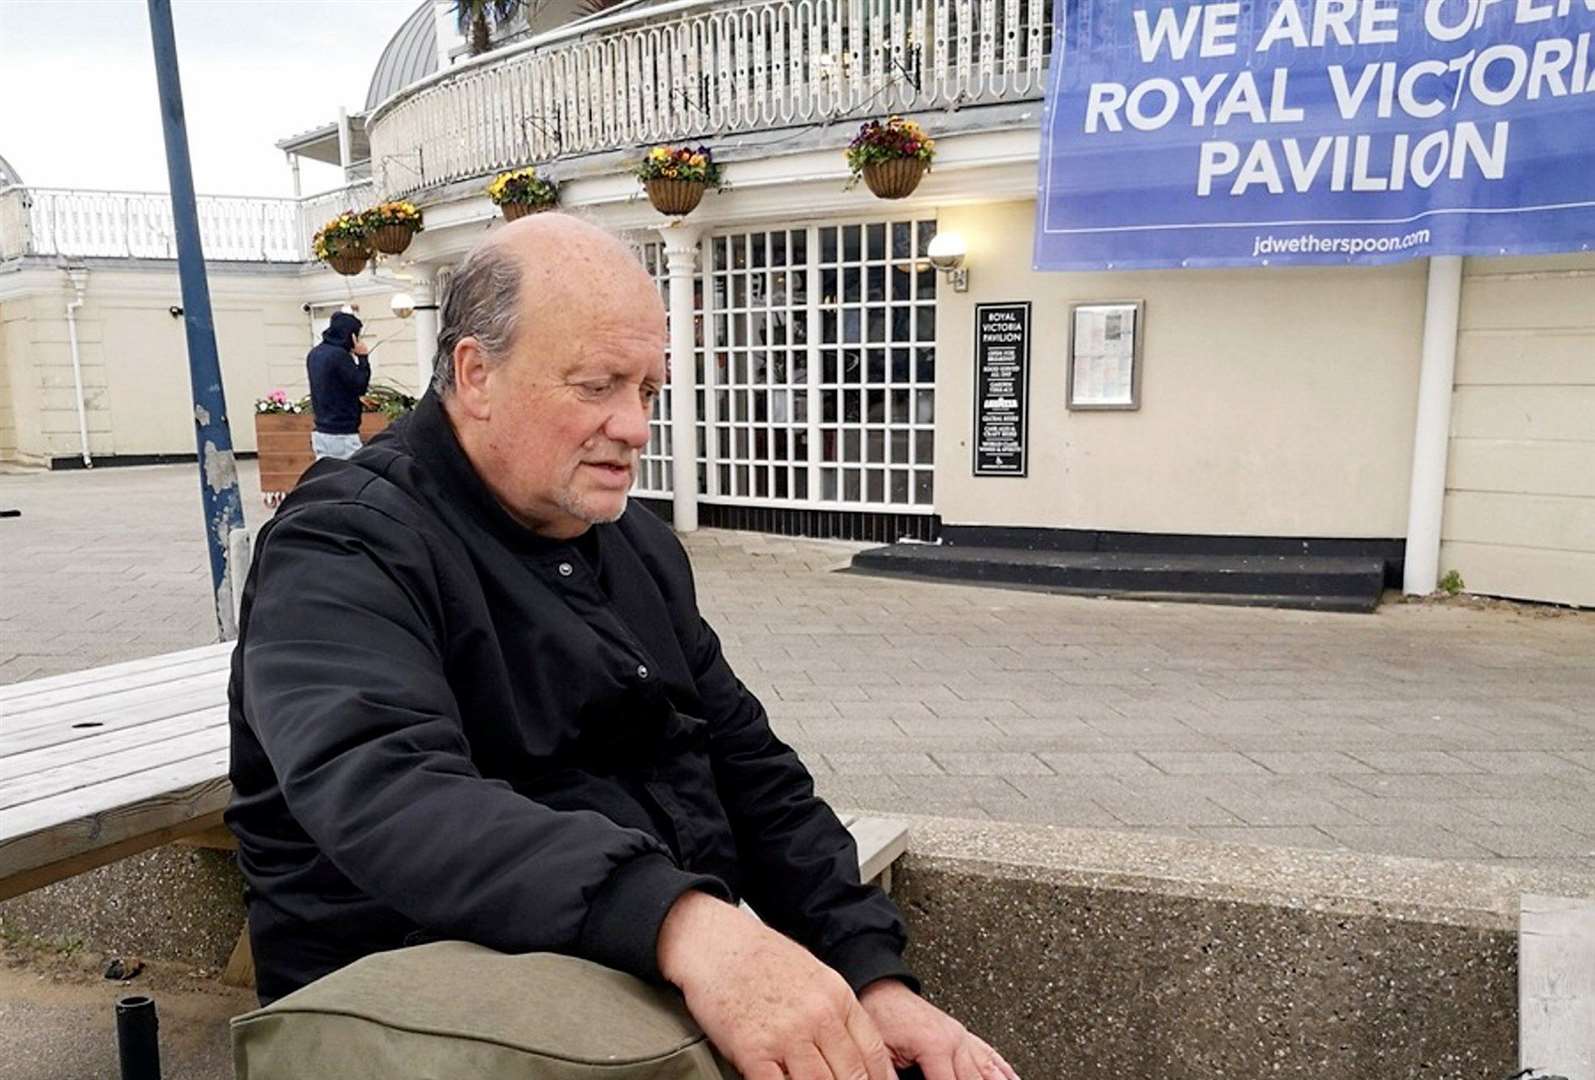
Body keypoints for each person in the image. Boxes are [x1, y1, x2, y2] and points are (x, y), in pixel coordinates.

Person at [226, 214, 1017, 1080]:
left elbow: (751, 770)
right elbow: (387, 790)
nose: (636, 427)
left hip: (636, 964)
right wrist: (683, 921)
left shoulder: (625, 539)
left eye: (648, 391)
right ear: (475, 373)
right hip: (424, 1004)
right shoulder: (346, 542)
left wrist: (870, 975)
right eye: (599, 385)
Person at [305, 310, 371, 460]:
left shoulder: (314, 354)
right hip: (342, 432)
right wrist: (362, 358)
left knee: (326, 475)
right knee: (353, 476)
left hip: (321, 430)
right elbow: (360, 385)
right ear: (351, 336)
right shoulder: (339, 356)